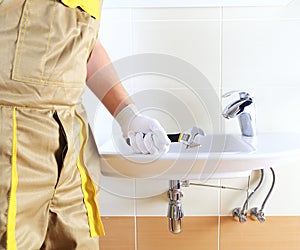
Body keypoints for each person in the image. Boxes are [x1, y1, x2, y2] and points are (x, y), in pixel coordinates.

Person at [0, 1, 170, 249]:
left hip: (73, 137)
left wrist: (127, 115)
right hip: (10, 133)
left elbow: (88, 47)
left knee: (79, 240)